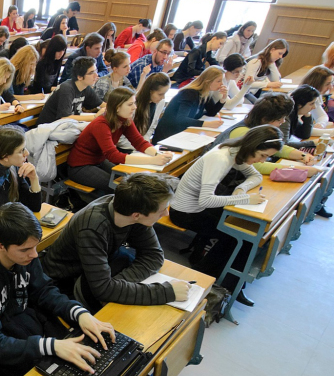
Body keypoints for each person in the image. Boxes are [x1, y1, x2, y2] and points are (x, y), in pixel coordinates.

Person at [0, 202, 115, 376]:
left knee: (85, 359)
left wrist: (80, 314)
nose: (35, 254)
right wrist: (51, 346)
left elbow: (44, 290)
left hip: (22, 328)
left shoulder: (24, 256)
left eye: (36, 246)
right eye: (26, 249)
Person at [169, 126, 283, 304]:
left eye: (266, 157)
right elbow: (206, 200)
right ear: (253, 146)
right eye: (262, 155)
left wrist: (241, 189)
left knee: (243, 232)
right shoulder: (221, 157)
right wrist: (245, 199)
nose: (262, 160)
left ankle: (227, 283)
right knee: (238, 236)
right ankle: (209, 279)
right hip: (185, 212)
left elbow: (256, 176)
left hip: (198, 208)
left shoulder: (236, 153)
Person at [42, 173, 189, 310]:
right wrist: (166, 292)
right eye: (162, 210)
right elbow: (102, 290)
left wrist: (118, 284)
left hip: (99, 270)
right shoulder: (92, 227)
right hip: (67, 282)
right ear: (136, 215)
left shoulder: (132, 209)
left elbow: (154, 255)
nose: (166, 213)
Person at [68, 88, 171, 193]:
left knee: (128, 180)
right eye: (130, 104)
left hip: (99, 161)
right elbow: (113, 155)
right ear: (117, 108)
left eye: (134, 103)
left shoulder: (125, 120)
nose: (135, 107)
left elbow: (139, 142)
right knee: (122, 187)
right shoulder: (101, 124)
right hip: (80, 166)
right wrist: (153, 160)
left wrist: (158, 155)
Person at [213, 92, 319, 177]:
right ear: (265, 119)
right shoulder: (243, 132)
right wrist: (298, 169)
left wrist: (302, 155)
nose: (283, 122)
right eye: (279, 119)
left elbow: (274, 146)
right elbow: (255, 166)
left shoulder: (258, 128)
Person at [152, 66, 226, 143]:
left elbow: (211, 112)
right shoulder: (189, 93)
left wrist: (223, 98)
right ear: (208, 81)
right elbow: (181, 119)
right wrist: (207, 124)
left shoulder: (205, 92)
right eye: (218, 81)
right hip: (167, 135)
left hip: (181, 133)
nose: (222, 84)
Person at [38, 56, 102, 126]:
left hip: (66, 126)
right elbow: (65, 118)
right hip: (49, 127)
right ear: (79, 77)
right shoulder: (67, 89)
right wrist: (94, 117)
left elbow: (102, 104)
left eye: (96, 71)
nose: (96, 75)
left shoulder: (86, 87)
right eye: (91, 73)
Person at [133, 72, 171, 141]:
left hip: (141, 143)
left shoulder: (160, 102)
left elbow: (152, 126)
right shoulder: (133, 103)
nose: (163, 97)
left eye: (165, 94)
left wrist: (145, 143)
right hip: (128, 144)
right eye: (160, 94)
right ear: (150, 91)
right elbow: (123, 136)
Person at [299, 65, 334, 131]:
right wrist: (331, 132)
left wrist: (321, 124)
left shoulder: (315, 95)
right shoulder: (302, 98)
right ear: (317, 84)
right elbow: (301, 130)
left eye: (331, 83)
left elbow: (322, 116)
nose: (331, 87)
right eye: (327, 84)